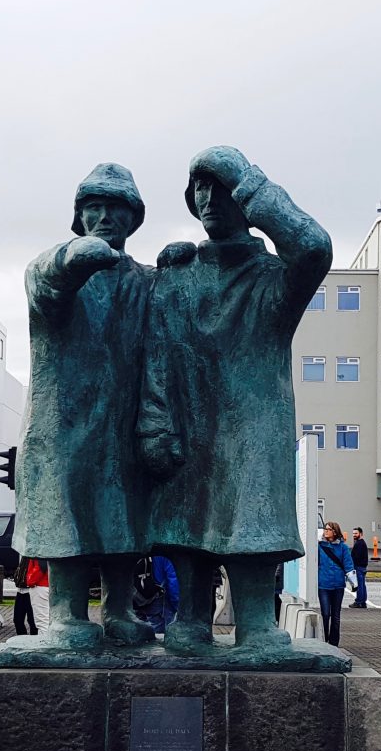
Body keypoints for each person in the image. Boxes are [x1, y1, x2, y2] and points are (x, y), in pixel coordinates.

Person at [137, 145, 332, 654]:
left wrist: (248, 181)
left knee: (252, 514)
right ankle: (191, 619)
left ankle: (256, 623)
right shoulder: (177, 274)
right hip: (187, 416)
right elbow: (156, 351)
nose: (209, 199)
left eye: (221, 189)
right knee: (186, 515)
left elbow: (313, 245)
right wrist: (155, 421)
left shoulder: (274, 278)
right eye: (200, 188)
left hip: (253, 420)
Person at [11, 163, 156, 652]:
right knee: (66, 509)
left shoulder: (145, 281)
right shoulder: (55, 264)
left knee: (123, 514)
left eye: (117, 207)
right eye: (94, 207)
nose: (105, 216)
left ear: (133, 218)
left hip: (124, 418)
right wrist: (74, 260)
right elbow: (47, 288)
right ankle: (68, 616)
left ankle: (119, 610)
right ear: (79, 215)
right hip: (62, 423)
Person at [317, 521, 354, 647]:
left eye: (328, 529)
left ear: (334, 531)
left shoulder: (343, 547)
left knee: (336, 615)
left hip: (338, 585)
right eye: (325, 529)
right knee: (326, 614)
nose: (325, 531)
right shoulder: (319, 546)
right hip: (323, 584)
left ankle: (333, 643)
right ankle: (325, 639)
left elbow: (348, 565)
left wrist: (354, 583)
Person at [12, 556, 38, 635]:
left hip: (31, 591)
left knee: (32, 620)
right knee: (17, 619)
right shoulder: (24, 556)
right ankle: (22, 639)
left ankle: (34, 641)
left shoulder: (34, 556)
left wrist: (30, 581)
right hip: (20, 590)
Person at [348, 527, 369, 608]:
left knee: (359, 585)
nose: (354, 535)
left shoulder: (359, 543)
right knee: (362, 585)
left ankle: (359, 601)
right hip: (362, 567)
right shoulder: (361, 543)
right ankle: (363, 602)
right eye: (353, 533)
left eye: (356, 533)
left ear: (361, 534)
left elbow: (356, 557)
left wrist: (352, 566)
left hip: (359, 567)